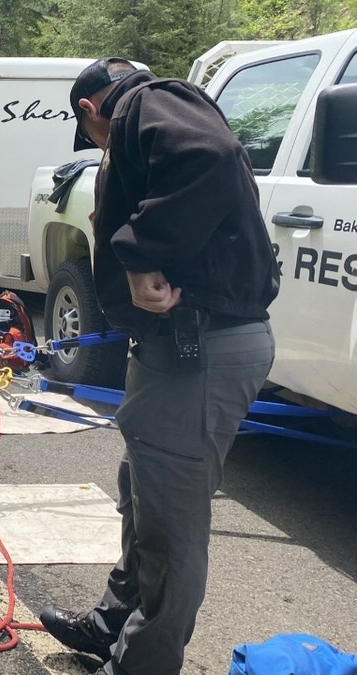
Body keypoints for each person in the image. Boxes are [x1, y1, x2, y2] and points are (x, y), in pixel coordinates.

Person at [38, 58, 278, 675]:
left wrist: (143, 252)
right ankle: (112, 624)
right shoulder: (145, 114)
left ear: (90, 111)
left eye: (89, 137)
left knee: (169, 524)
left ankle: (140, 665)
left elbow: (209, 158)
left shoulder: (146, 102)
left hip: (200, 344)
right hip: (175, 344)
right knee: (141, 492)